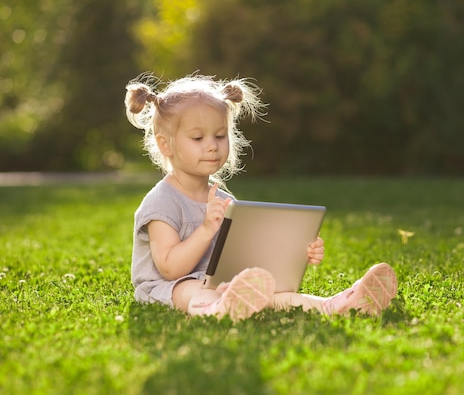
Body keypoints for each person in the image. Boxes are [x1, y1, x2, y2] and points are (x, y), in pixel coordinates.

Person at [125, 73, 398, 322]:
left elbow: (243, 253)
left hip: (220, 283)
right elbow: (171, 268)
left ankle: (338, 304)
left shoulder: (221, 197)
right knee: (193, 289)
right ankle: (215, 310)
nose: (212, 145)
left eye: (220, 135)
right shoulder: (162, 201)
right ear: (165, 144)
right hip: (171, 288)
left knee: (276, 295)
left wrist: (298, 251)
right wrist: (207, 229)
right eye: (198, 138)